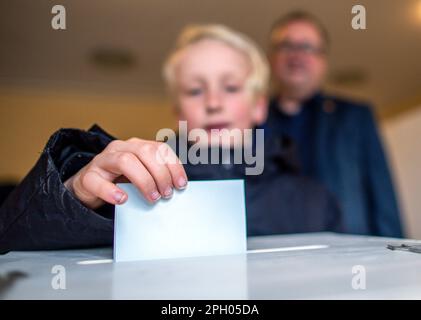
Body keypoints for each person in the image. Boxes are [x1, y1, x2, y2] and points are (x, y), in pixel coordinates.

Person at [0, 24, 342, 253]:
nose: (213, 102)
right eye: (195, 89)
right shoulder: (127, 187)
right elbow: (11, 246)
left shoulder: (316, 199)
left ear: (259, 107)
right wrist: (71, 195)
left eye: (231, 87)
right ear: (179, 111)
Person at [263, 11, 403, 237]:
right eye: (286, 46)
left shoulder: (356, 116)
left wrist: (398, 260)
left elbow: (381, 195)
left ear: (323, 61)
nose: (297, 55)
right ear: (271, 57)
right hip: (272, 257)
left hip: (349, 256)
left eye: (307, 47)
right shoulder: (247, 120)